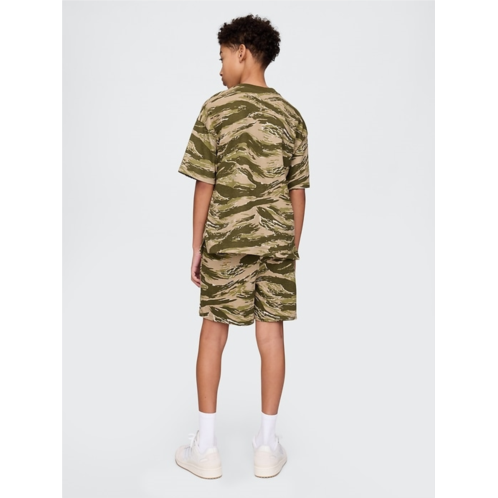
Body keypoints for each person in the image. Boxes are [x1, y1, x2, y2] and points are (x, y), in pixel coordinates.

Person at [175, 14, 310, 480]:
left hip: (225, 240)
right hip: (277, 242)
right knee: (271, 337)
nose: (219, 70)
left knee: (214, 333)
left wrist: (197, 246)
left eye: (221, 58)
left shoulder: (215, 109)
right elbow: (297, 191)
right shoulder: (292, 115)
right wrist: (289, 246)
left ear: (242, 52)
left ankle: (206, 447)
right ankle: (267, 446)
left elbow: (204, 182)